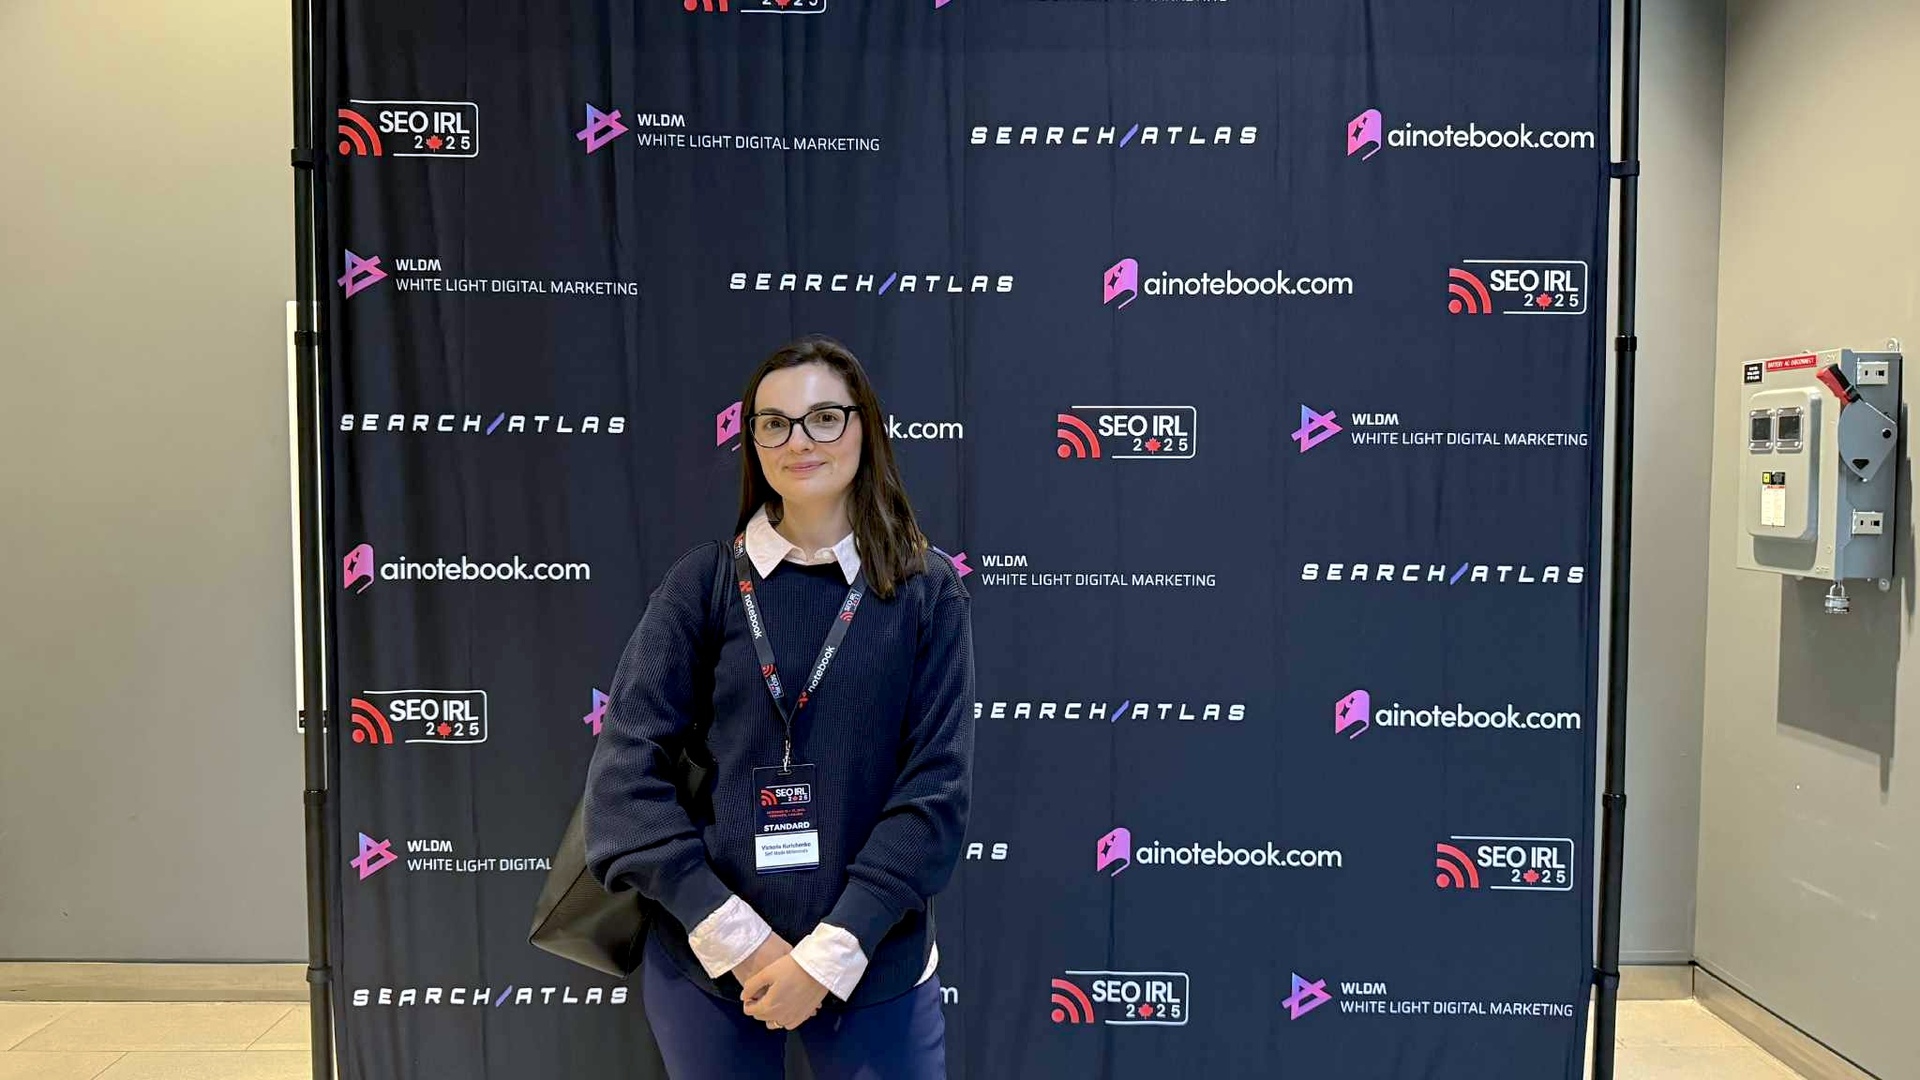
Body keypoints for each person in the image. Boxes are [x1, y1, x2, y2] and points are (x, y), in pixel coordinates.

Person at [584, 335, 975, 1079]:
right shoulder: (702, 586)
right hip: (710, 963)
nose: (800, 441)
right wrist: (743, 942)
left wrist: (829, 954)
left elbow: (935, 793)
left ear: (866, 427)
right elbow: (624, 785)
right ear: (753, 442)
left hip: (876, 961)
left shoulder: (926, 592)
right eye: (775, 423)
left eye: (824, 417)